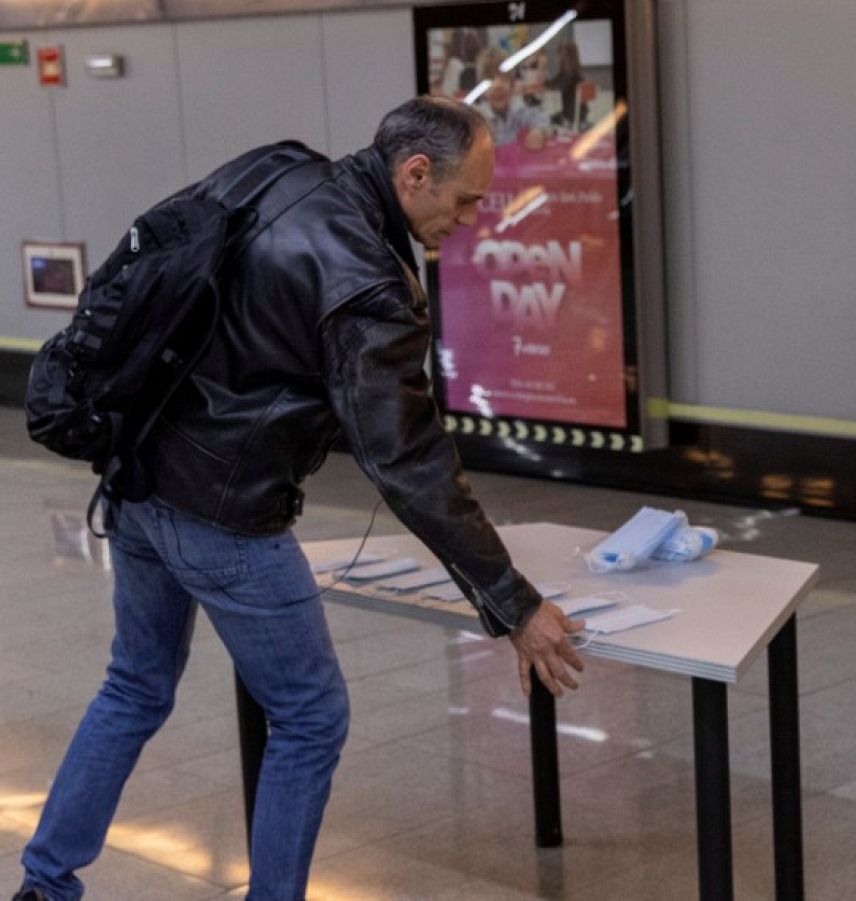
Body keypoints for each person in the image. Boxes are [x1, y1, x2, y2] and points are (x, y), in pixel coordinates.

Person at [12, 97, 585, 901]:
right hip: (226, 517)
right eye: (464, 199)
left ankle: (44, 881)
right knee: (312, 717)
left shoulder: (276, 168)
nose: (471, 219)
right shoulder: (368, 281)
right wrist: (514, 602)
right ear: (413, 174)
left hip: (138, 479)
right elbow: (408, 459)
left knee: (135, 684)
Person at [477, 73, 551, 150]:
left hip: (516, 159)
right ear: (483, 92)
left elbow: (539, 117)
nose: (497, 87)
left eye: (503, 81)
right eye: (491, 81)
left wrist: (538, 130)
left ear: (512, 90)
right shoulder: (477, 118)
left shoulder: (519, 111)